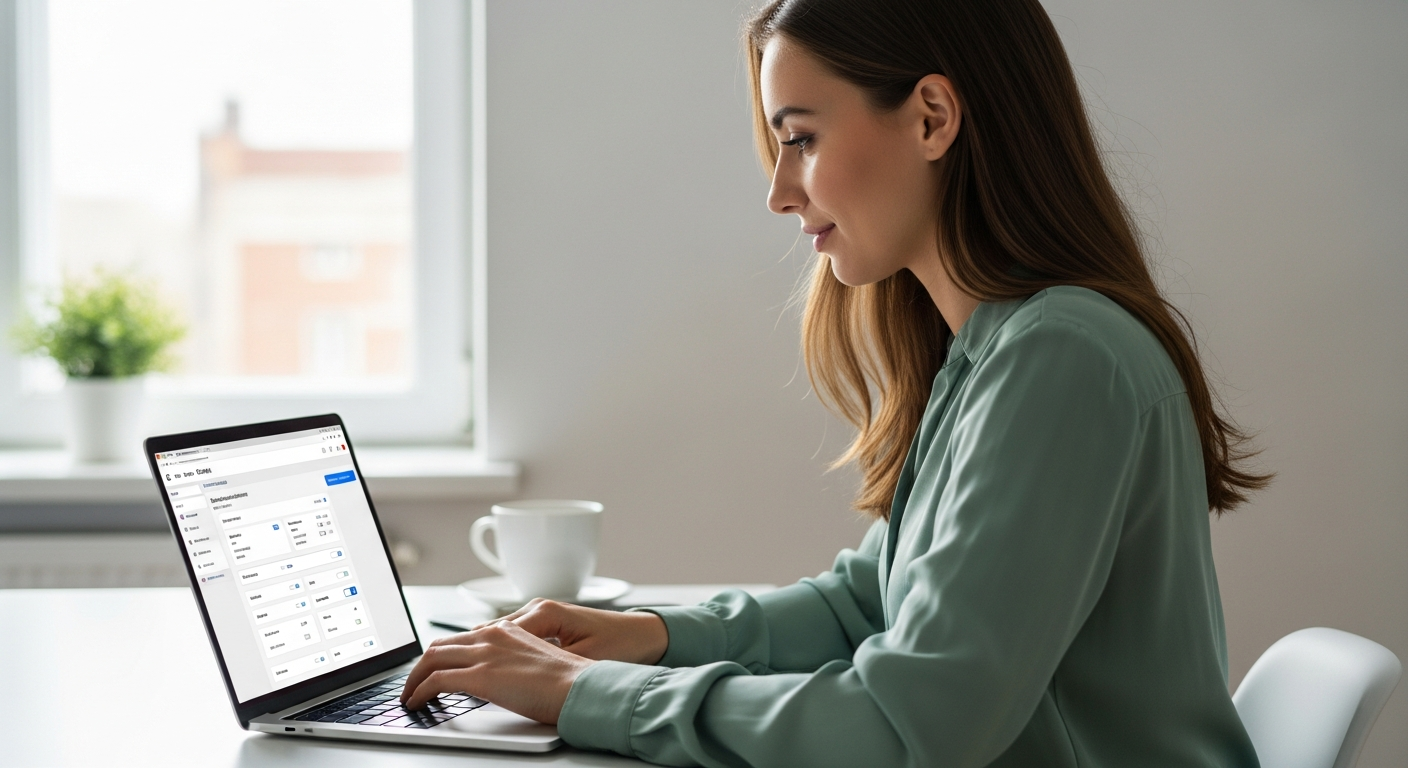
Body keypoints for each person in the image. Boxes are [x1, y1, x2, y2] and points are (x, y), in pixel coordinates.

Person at [398, 0, 1271, 765]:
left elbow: (907, 725)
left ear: (932, 117)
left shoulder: (1061, 357)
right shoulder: (992, 349)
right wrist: (653, 638)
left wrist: (587, 697)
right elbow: (872, 602)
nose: (780, 192)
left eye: (801, 140)